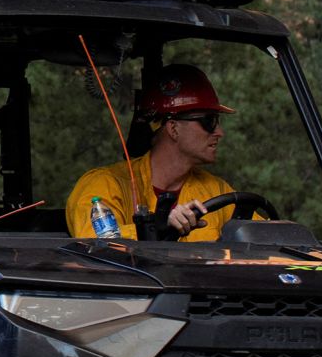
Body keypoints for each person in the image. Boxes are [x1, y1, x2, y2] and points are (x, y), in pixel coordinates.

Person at [66, 64, 239, 241]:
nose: (219, 132)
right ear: (173, 128)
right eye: (209, 121)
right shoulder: (104, 185)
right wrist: (156, 229)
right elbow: (95, 243)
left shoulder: (216, 191)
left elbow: (260, 234)